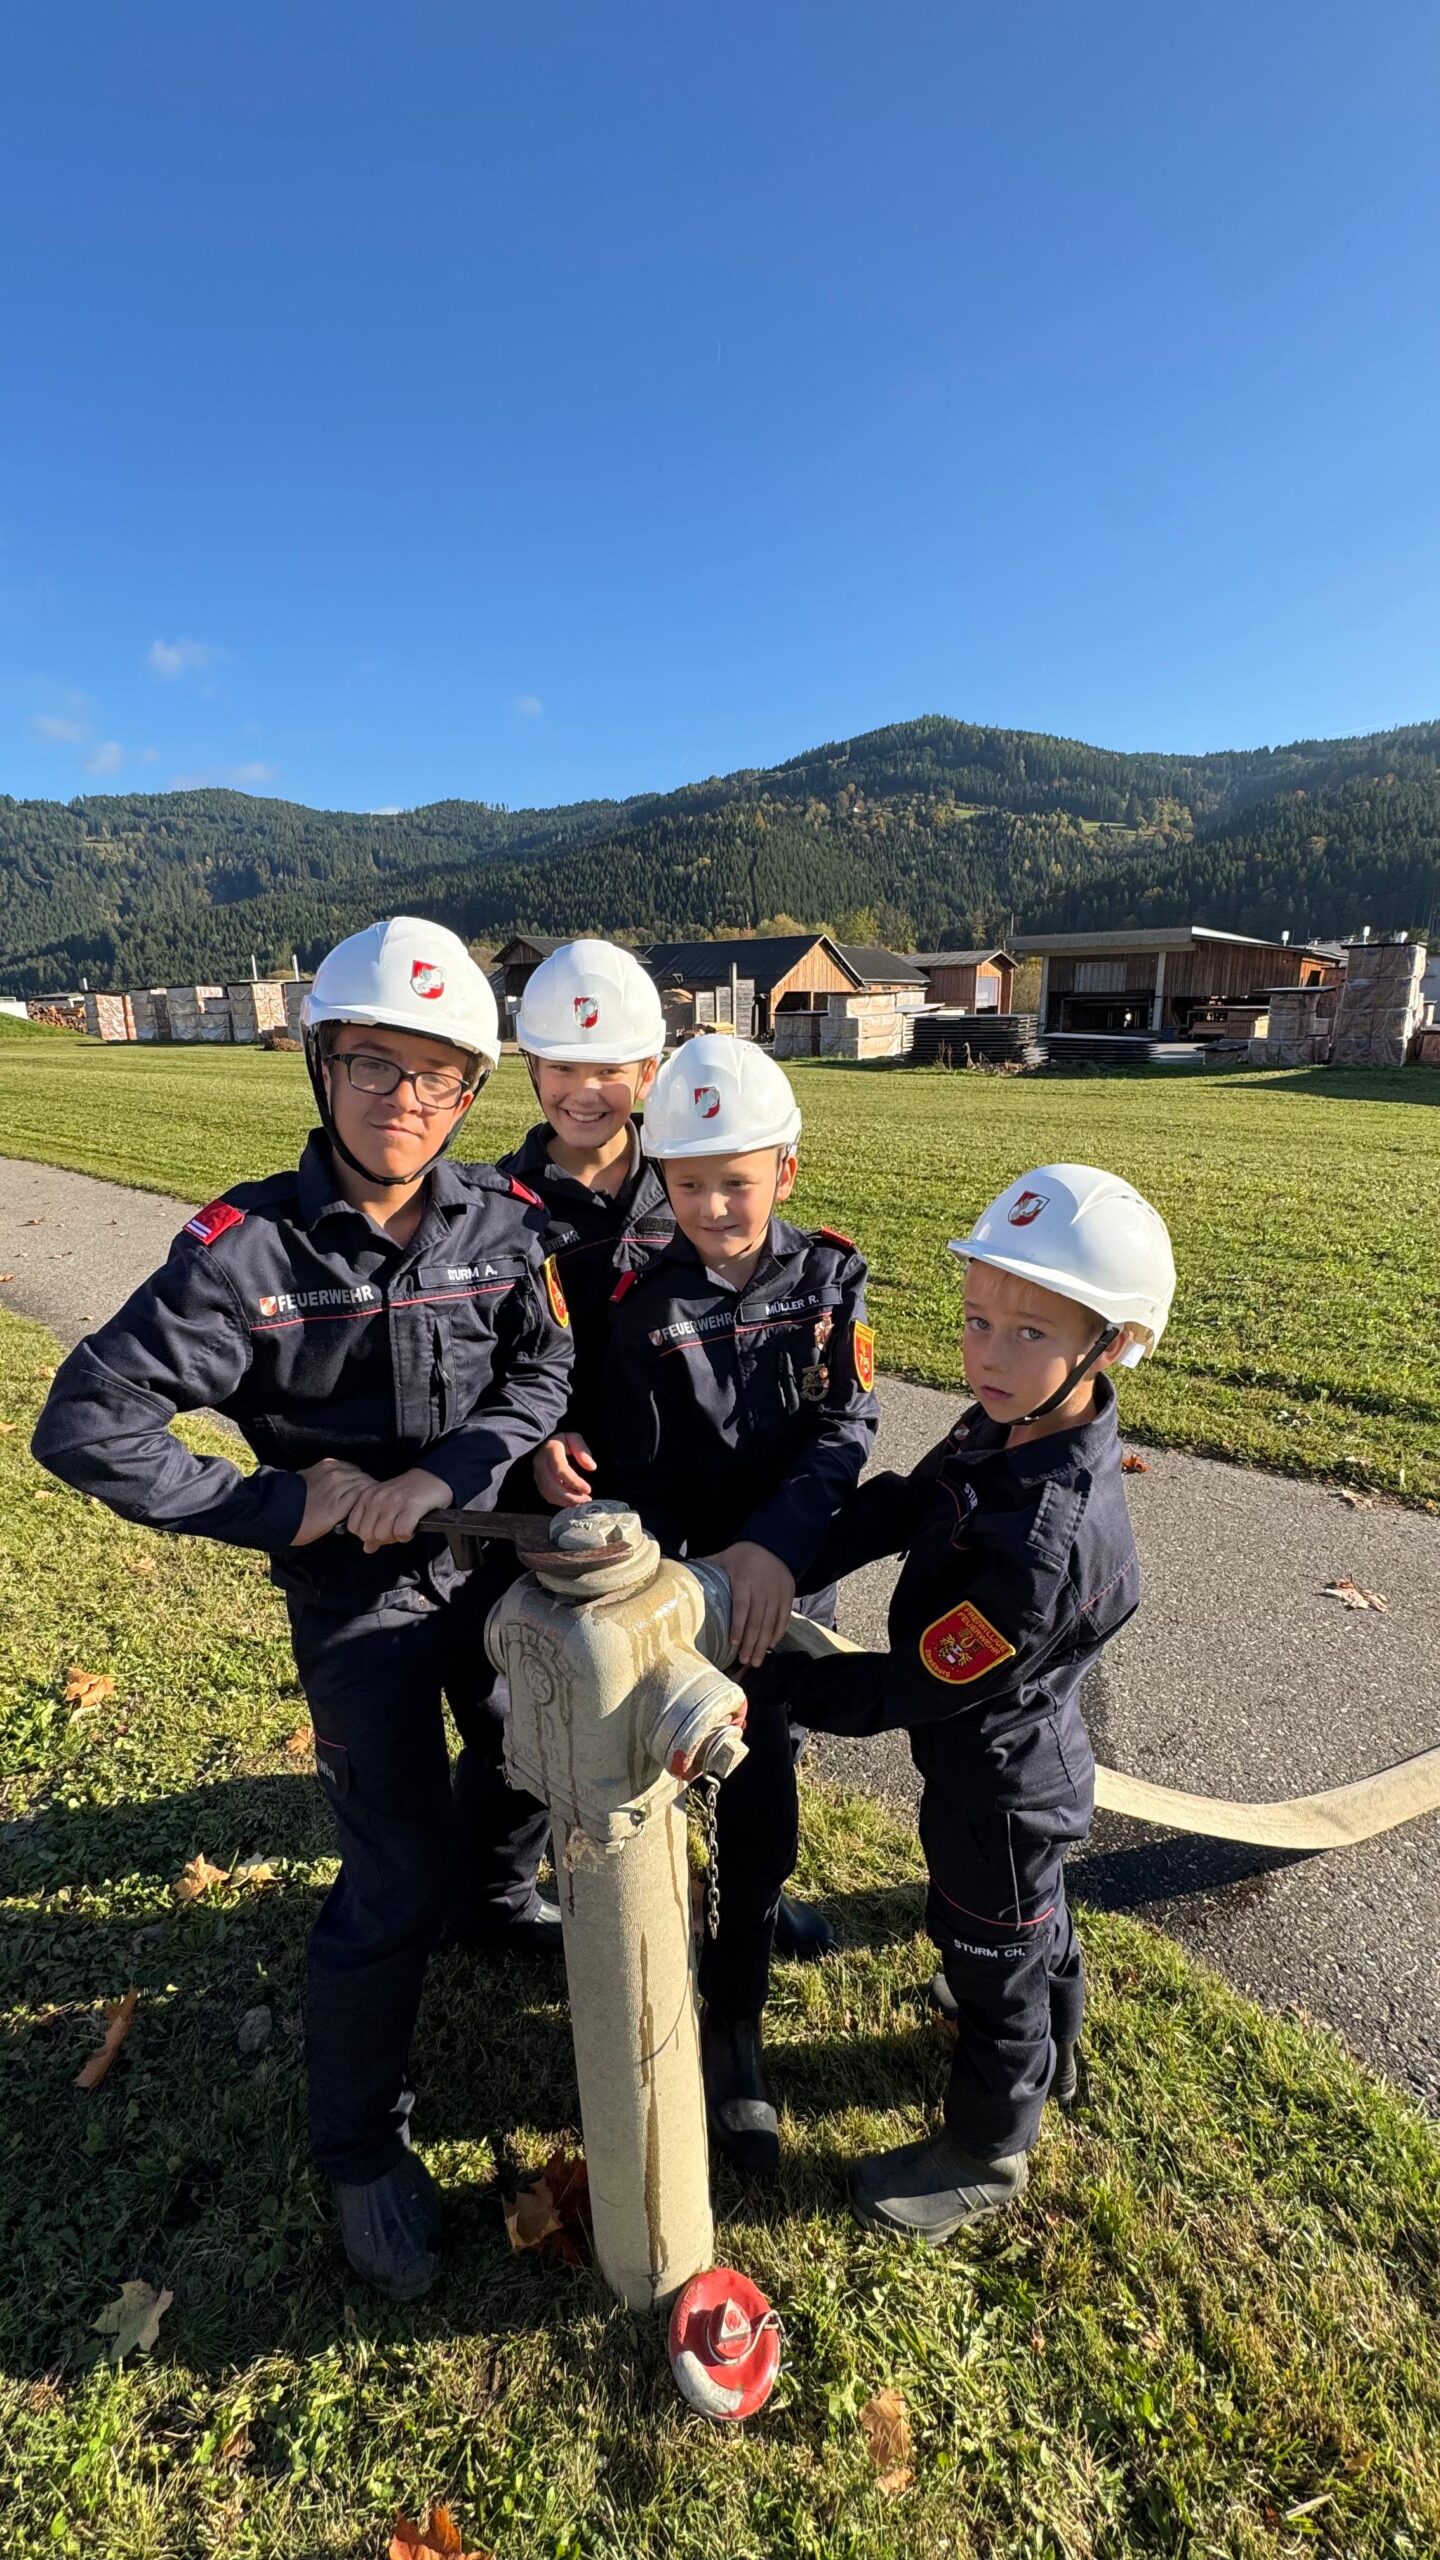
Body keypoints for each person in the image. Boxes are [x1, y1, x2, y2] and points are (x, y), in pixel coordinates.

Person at [31, 917, 574, 2300]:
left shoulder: (505, 1227)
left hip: (488, 1573)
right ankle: (359, 2145)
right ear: (321, 1064)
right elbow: (87, 1424)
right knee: (390, 1872)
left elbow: (542, 1372)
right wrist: (287, 1505)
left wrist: (452, 1471)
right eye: (373, 1063)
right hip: (355, 1604)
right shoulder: (242, 1252)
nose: (404, 1098)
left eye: (437, 1073)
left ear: (472, 1092)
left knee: (523, 1760)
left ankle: (495, 1903)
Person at [740, 1163, 1176, 2241]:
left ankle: (989, 2145)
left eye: (1029, 1332)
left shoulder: (1041, 1543)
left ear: (1115, 1342)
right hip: (1010, 1756)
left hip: (997, 1784)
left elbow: (908, 1686)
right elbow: (902, 1503)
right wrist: (780, 1559)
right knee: (1024, 1921)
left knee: (991, 1955)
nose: (988, 1354)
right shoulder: (1005, 1424)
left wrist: (774, 1675)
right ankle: (1056, 2028)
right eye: (979, 1319)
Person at [589, 1031, 880, 2177]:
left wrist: (776, 1550)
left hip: (789, 1578)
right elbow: (636, 1465)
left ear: (787, 1172)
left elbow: (845, 1427)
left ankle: (743, 1949)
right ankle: (723, 1990)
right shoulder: (637, 1303)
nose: (715, 1206)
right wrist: (702, 1575)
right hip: (689, 1594)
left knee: (773, 1773)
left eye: (739, 1181)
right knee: (708, 1780)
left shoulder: (831, 1278)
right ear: (662, 1179)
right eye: (691, 1182)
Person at [507, 962, 838, 1966]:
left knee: (763, 1724)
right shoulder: (504, 1210)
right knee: (573, 1713)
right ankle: (517, 1892)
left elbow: (835, 1412)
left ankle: (750, 1894)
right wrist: (538, 1442)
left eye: (609, 1065)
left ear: (649, 1072)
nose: (585, 1088)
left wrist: (779, 1539)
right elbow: (518, 1362)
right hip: (621, 1507)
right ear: (529, 1066)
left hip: (753, 1522)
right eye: (561, 1064)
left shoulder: (700, 1181)